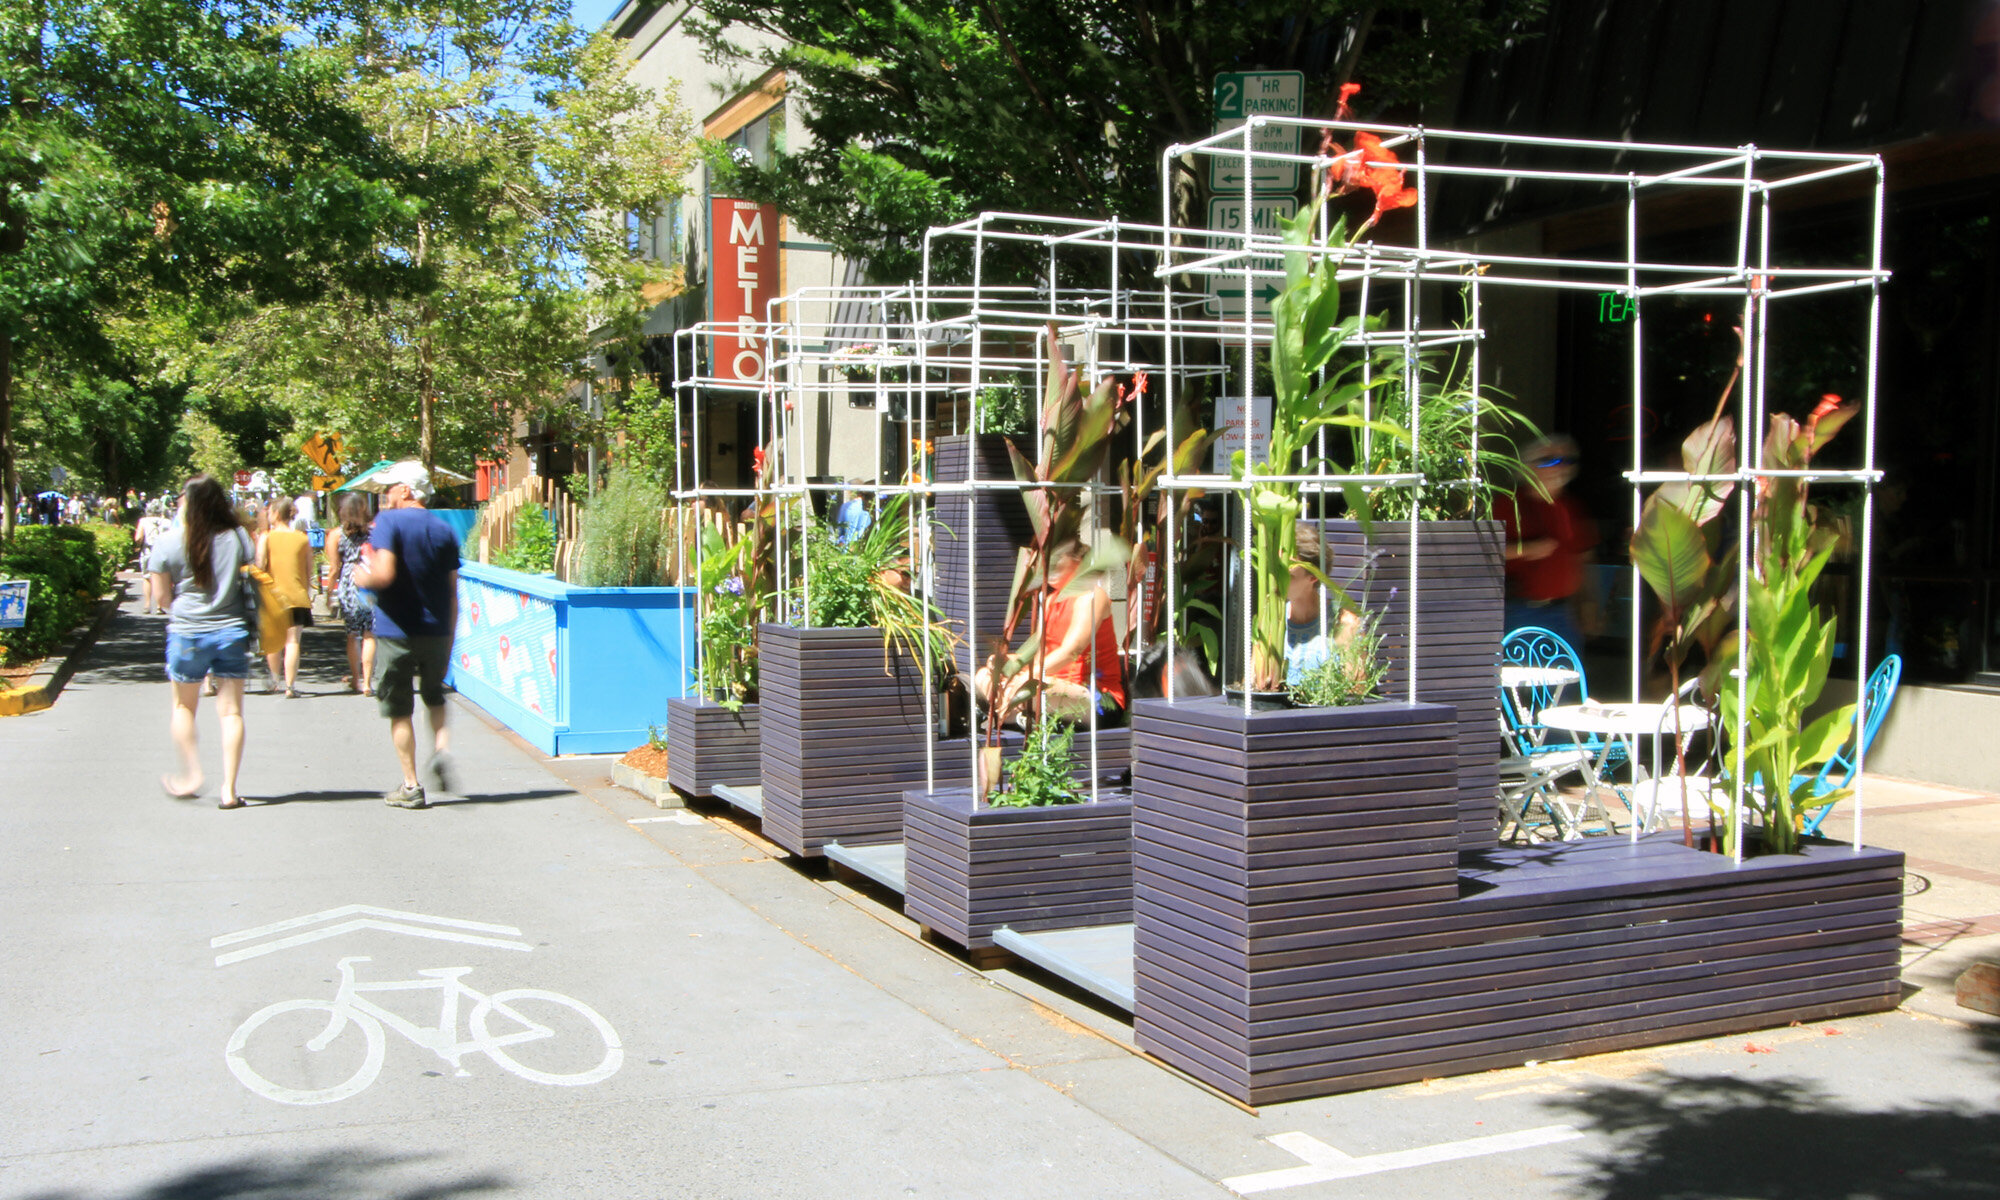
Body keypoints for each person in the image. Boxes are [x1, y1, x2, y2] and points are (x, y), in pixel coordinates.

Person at [348, 462, 460, 808]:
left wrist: (361, 577)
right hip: (436, 630)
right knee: (434, 696)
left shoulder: (389, 522)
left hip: (396, 631)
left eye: (389, 487)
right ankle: (441, 749)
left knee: (399, 708)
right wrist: (450, 637)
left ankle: (411, 785)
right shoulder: (444, 530)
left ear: (406, 490)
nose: (385, 494)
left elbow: (383, 574)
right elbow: (452, 592)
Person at [145, 474, 252, 809]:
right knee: (231, 712)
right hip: (232, 631)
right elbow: (252, 572)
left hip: (187, 632)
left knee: (183, 707)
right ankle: (229, 790)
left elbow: (162, 599)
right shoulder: (237, 536)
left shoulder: (169, 541)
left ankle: (191, 775)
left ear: (187, 504)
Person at [974, 540, 1126, 726]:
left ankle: (1013, 716)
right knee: (983, 676)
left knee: (1030, 687)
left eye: (1057, 559)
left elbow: (1071, 651)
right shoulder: (1050, 601)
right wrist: (1008, 663)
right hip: (1051, 685)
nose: (1049, 566)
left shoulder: (1091, 596)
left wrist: (1028, 676)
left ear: (1077, 560)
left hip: (1097, 697)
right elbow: (1039, 655)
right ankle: (1018, 716)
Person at [1495, 433, 1599, 651]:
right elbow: (1485, 552)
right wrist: (1527, 549)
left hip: (1563, 613)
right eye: (1549, 460)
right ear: (1528, 467)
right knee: (1522, 671)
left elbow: (1584, 561)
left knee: (1568, 670)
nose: (1560, 467)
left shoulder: (1570, 507)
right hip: (1520, 611)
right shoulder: (1508, 504)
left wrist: (1589, 606)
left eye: (1567, 460)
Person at [252, 496, 313, 697]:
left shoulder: (267, 537)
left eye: (269, 512)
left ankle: (275, 681)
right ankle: (290, 686)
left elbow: (260, 565)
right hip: (297, 596)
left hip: (273, 597)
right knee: (293, 641)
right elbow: (308, 571)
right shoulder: (302, 538)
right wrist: (306, 592)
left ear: (276, 513)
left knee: (274, 641)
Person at [327, 492, 377, 696]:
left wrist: (329, 592)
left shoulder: (336, 535)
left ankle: (355, 679)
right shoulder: (374, 531)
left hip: (349, 582)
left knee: (352, 634)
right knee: (369, 634)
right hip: (368, 580)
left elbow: (334, 568)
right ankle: (368, 683)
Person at [136, 502, 174, 614]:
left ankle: (147, 605)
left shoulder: (143, 521)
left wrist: (138, 545)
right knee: (163, 578)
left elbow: (138, 538)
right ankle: (159, 606)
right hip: (164, 551)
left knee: (147, 578)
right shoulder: (167, 522)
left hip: (148, 551)